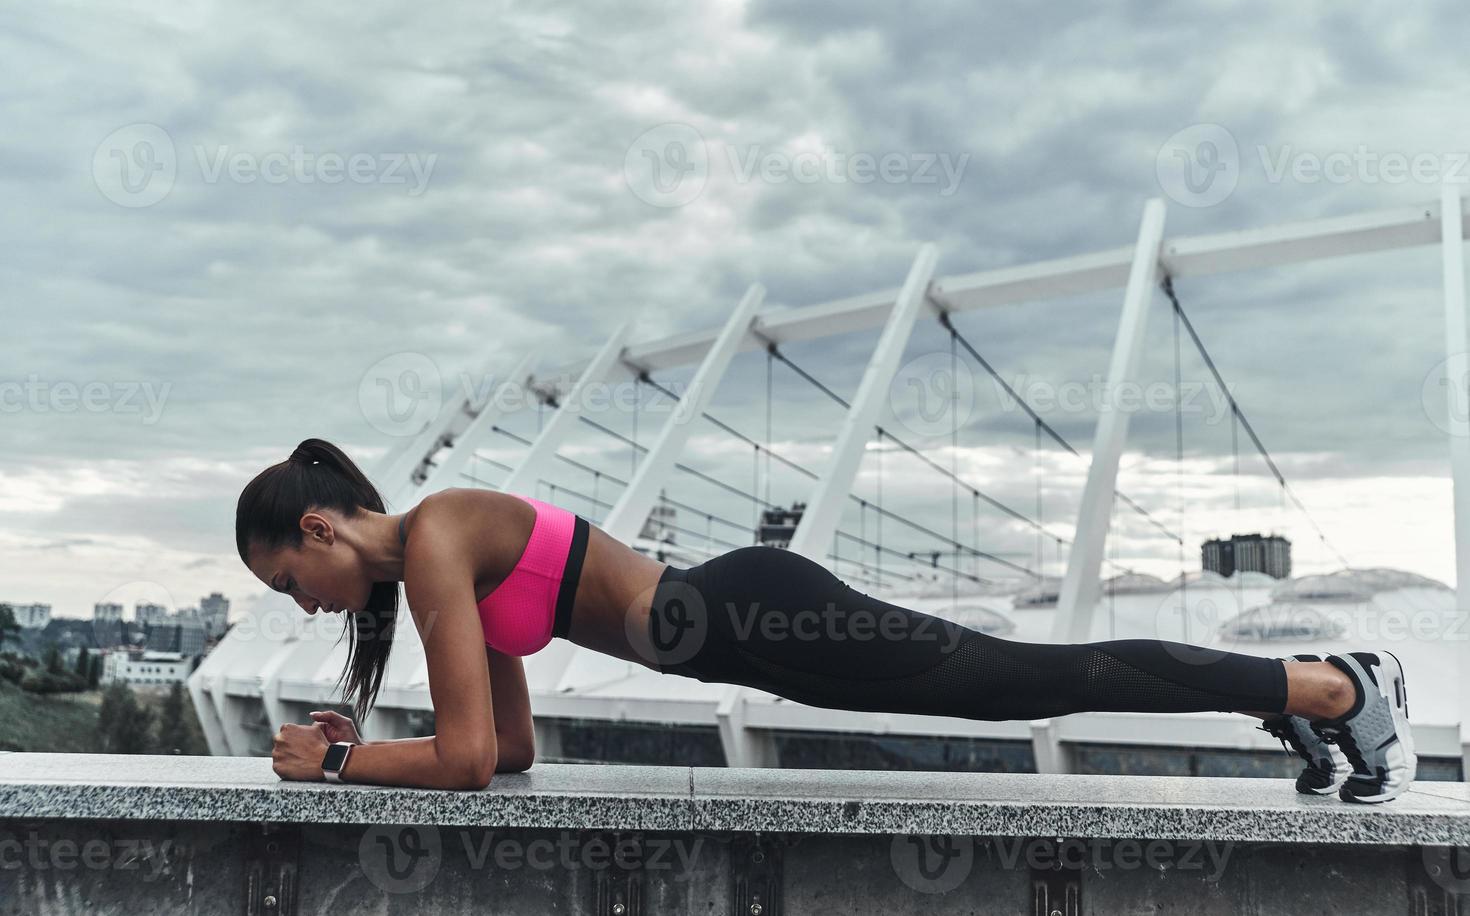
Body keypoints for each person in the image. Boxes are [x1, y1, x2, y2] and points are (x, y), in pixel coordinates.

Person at [240, 438, 1416, 802]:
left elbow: (459, 759)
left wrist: (339, 755)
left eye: (291, 578)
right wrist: (370, 754)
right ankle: (1310, 692)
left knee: (1029, 678)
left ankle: (1334, 687)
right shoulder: (450, 564)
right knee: (1027, 680)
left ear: (325, 528)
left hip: (754, 612)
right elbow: (509, 752)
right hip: (749, 626)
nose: (305, 603)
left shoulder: (441, 535)